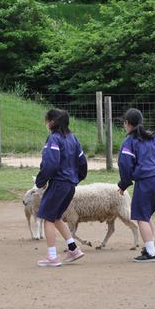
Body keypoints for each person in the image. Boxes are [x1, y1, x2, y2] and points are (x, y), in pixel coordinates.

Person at [117, 108, 155, 263]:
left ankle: (151, 253)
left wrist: (123, 185)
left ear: (127, 123)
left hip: (146, 183)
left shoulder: (129, 142)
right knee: (145, 216)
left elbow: (124, 165)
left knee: (141, 217)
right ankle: (149, 247)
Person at [35, 109, 88, 267]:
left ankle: (52, 256)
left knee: (47, 218)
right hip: (70, 184)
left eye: (47, 120)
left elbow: (51, 163)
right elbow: (83, 163)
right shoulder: (73, 138)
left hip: (59, 183)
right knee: (56, 217)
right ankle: (73, 249)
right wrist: (76, 179)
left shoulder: (54, 139)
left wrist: (41, 180)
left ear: (52, 122)